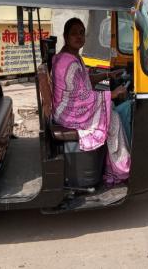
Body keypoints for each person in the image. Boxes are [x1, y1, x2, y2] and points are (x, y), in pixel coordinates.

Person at [52, 18, 131, 185]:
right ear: (66, 36)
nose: (79, 37)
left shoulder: (71, 56)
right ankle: (117, 170)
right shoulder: (68, 63)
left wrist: (108, 75)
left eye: (82, 33)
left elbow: (85, 79)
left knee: (111, 111)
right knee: (114, 118)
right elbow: (81, 96)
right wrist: (113, 94)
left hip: (66, 107)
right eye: (74, 33)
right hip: (68, 112)